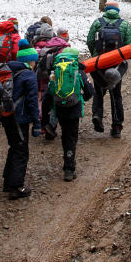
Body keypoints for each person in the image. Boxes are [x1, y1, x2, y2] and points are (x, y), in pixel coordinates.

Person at [46, 47, 94, 181]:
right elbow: (90, 91)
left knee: (65, 135)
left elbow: (48, 94)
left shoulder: (56, 71)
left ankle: (67, 162)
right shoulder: (77, 70)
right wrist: (81, 98)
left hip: (60, 108)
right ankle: (69, 168)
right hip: (74, 108)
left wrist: (47, 114)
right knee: (72, 137)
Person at [86, 1, 131, 138]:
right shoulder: (124, 24)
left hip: (99, 64)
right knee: (116, 94)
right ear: (117, 11)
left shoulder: (97, 22)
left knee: (99, 92)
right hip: (116, 64)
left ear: (106, 10)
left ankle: (97, 116)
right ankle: (117, 126)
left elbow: (90, 41)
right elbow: (129, 44)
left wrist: (95, 56)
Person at [2, 39, 40, 199]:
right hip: (20, 118)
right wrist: (37, 122)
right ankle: (16, 187)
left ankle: (8, 181)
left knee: (14, 146)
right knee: (21, 151)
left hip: (6, 115)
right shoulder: (29, 75)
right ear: (30, 60)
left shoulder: (9, 70)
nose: (35, 63)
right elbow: (32, 101)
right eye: (34, 60)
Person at [36, 26, 72, 139]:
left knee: (47, 102)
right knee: (57, 103)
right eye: (65, 34)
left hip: (45, 77)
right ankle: (51, 126)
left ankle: (45, 125)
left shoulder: (49, 44)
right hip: (58, 78)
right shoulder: (64, 47)